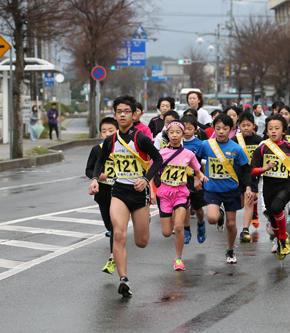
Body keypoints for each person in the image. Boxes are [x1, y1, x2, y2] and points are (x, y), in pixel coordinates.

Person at [89, 95, 162, 297]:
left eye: (126, 111)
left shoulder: (140, 138)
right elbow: (99, 161)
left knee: (141, 241)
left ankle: (143, 219)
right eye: (119, 111)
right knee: (118, 233)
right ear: (114, 115)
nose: (122, 114)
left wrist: (146, 179)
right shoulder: (111, 140)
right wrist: (95, 178)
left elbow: (157, 159)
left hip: (139, 193)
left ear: (134, 114)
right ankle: (123, 279)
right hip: (119, 190)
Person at [252, 114, 290, 260]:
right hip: (268, 187)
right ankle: (280, 239)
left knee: (278, 207)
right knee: (272, 220)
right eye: (270, 128)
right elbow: (253, 170)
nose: (273, 131)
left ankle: (283, 238)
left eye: (277, 128)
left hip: (286, 185)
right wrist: (265, 168)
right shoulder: (262, 148)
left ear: (284, 131)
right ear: (266, 131)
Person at [196, 114, 253, 264]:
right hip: (212, 189)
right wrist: (197, 175)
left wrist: (248, 187)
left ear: (231, 129)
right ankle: (219, 215)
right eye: (218, 128)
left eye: (225, 128)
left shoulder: (236, 149)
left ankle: (230, 250)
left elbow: (246, 169)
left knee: (231, 224)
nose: (221, 131)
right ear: (214, 129)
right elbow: (194, 160)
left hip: (231, 190)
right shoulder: (206, 145)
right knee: (212, 218)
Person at [154, 121, 208, 271]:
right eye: (172, 132)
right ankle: (171, 220)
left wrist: (201, 176)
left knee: (179, 227)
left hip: (181, 193)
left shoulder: (188, 154)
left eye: (178, 132)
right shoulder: (161, 154)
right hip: (164, 193)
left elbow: (197, 169)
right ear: (167, 135)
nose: (175, 135)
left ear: (183, 134)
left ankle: (178, 258)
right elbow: (151, 172)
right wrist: (152, 192)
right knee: (166, 232)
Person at [85, 117, 118, 274]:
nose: (107, 134)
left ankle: (112, 257)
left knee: (114, 224)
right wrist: (98, 176)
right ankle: (115, 241)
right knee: (108, 225)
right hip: (103, 192)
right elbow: (88, 170)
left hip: (119, 191)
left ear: (117, 131)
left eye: (111, 130)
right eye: (104, 131)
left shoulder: (124, 149)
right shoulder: (97, 150)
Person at [232, 112, 263, 242]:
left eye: (248, 125)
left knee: (249, 201)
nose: (245, 128)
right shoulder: (234, 141)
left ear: (253, 126)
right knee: (239, 204)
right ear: (239, 126)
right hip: (237, 174)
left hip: (253, 175)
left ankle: (245, 229)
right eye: (243, 125)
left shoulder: (259, 141)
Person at [180, 114, 208, 244]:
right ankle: (186, 231)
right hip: (181, 180)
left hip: (195, 179)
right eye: (184, 128)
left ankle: (201, 225)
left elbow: (204, 162)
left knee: (197, 209)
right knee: (184, 206)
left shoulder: (201, 144)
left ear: (196, 130)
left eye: (190, 128)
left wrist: (198, 176)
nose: (186, 131)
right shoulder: (176, 142)